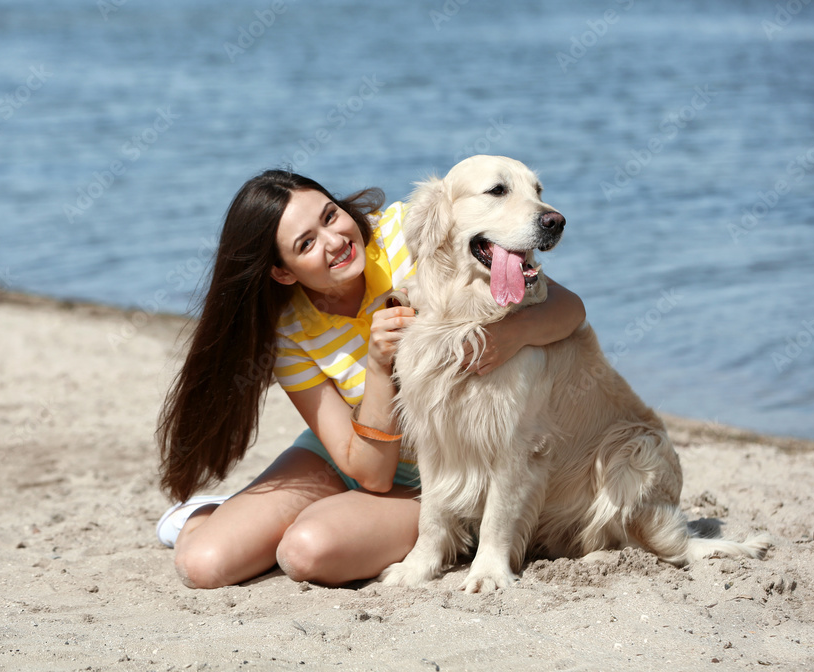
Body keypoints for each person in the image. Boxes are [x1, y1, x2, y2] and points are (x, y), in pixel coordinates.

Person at [155, 168, 586, 589]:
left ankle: (327, 519)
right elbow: (371, 475)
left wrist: (507, 337)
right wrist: (380, 365)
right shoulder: (287, 329)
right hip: (355, 456)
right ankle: (212, 513)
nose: (335, 241)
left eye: (329, 216)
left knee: (305, 552)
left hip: (439, 471)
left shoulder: (406, 231)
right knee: (201, 565)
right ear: (283, 272)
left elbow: (569, 309)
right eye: (306, 244)